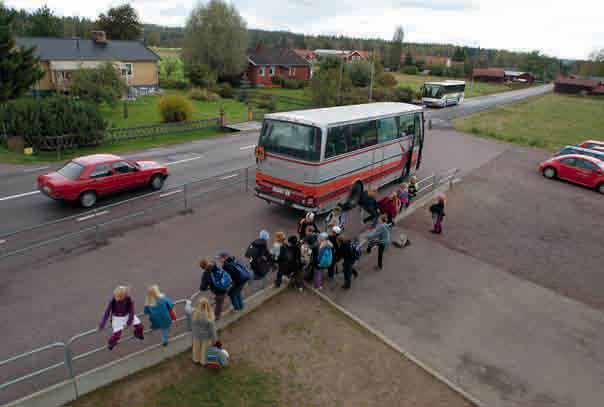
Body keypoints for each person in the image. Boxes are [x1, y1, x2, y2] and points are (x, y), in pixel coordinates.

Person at [99, 285, 144, 350]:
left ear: (124, 296)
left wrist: (128, 323)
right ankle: (111, 343)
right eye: (116, 296)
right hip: (117, 317)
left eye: (119, 297)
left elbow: (132, 312)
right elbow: (107, 312)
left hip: (127, 315)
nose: (116, 298)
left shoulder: (129, 299)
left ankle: (137, 333)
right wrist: (102, 324)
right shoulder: (112, 300)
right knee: (117, 334)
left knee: (140, 326)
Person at [190, 297, 217, 366]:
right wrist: (215, 340)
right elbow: (212, 330)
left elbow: (187, 309)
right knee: (204, 350)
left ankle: (196, 359)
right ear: (207, 305)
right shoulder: (209, 316)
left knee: (196, 348)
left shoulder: (194, 313)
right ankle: (203, 361)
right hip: (206, 336)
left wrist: (188, 303)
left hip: (196, 335)